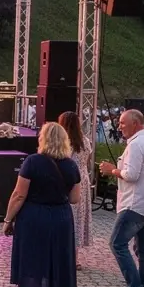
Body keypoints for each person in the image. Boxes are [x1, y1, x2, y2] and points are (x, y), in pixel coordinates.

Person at [2, 122, 80, 287]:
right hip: (61, 219)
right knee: (59, 267)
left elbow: (19, 195)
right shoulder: (71, 166)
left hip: (33, 218)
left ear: (43, 139)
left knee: (31, 265)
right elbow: (75, 198)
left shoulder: (32, 162)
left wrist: (8, 219)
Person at [99, 109, 144, 287]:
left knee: (117, 244)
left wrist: (112, 170)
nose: (119, 126)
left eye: (122, 123)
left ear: (135, 123)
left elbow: (131, 175)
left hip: (135, 204)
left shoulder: (136, 144)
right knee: (143, 249)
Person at [59, 111, 92, 260]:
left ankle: (66, 256)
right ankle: (75, 257)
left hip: (68, 179)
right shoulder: (85, 141)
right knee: (79, 217)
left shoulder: (65, 142)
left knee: (68, 216)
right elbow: (88, 161)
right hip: (83, 179)